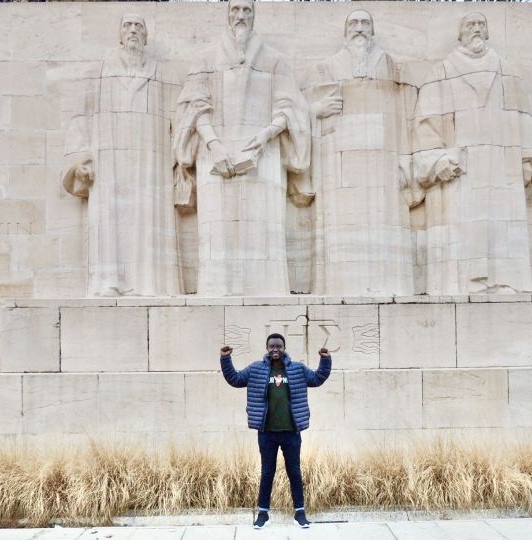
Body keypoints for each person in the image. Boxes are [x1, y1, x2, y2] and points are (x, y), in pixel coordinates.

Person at [174, 0, 311, 297]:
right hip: (213, 155)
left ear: (254, 16)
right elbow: (195, 106)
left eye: (247, 10)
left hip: (264, 154)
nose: (240, 16)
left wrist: (265, 136)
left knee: (265, 233)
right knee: (216, 236)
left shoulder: (275, 60)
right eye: (235, 10)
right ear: (227, 15)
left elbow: (289, 106)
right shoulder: (205, 58)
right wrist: (213, 144)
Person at [413, 12, 532, 295]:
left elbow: (524, 118)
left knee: (503, 223)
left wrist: (526, 158)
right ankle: (465, 284)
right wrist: (437, 160)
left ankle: (505, 281)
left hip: (501, 165)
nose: (476, 29)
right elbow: (425, 123)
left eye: (481, 24)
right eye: (470, 25)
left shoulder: (507, 72)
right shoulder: (443, 71)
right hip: (461, 168)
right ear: (460, 33)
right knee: (463, 227)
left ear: (488, 31)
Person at [62, 14, 184, 297]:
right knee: (109, 222)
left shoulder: (165, 76)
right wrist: (80, 160)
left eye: (138, 26)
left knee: (150, 223)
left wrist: (181, 160)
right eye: (127, 26)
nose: (133, 31)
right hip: (109, 164)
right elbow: (80, 119)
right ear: (119, 34)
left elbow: (181, 122)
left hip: (151, 164)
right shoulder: (98, 73)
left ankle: (151, 284)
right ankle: (108, 282)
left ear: (146, 36)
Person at [301, 9, 417, 297]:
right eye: (353, 23)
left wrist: (406, 158)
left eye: (366, 23)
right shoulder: (326, 68)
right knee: (338, 229)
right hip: (335, 164)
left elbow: (407, 117)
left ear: (373, 31)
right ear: (345, 32)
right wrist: (315, 111)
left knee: (385, 226)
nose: (360, 28)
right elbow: (298, 109)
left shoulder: (392, 67)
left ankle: (390, 289)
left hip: (384, 163)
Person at [219, 333, 331, 529]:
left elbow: (317, 378)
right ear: (267, 348)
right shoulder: (256, 369)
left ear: (284, 348)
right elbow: (235, 379)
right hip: (267, 432)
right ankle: (263, 514)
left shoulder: (297, 369)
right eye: (272, 346)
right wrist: (225, 358)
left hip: (291, 432)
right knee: (267, 472)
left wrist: (325, 359)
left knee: (294, 472)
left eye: (279, 346)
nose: (275, 349)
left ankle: (300, 513)